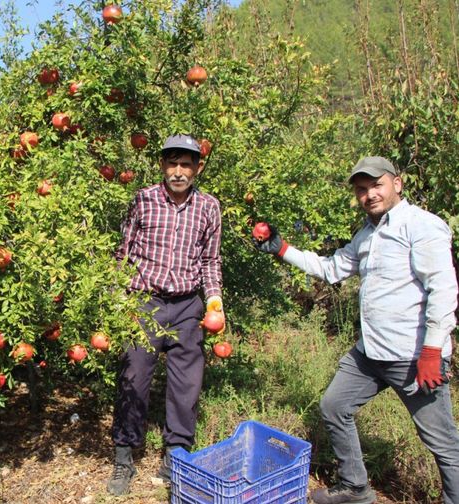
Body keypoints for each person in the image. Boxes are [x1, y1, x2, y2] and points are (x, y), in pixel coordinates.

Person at [253, 156, 459, 504]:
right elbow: (331, 269)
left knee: (442, 442)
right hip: (370, 353)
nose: (370, 194)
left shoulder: (422, 225)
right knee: (334, 406)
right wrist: (282, 249)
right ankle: (356, 488)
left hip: (412, 356)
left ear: (398, 183)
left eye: (376, 185)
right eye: (362, 189)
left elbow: (444, 289)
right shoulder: (367, 234)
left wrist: (432, 350)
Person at [107, 134, 225, 496]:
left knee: (186, 382)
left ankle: (176, 452)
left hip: (189, 306)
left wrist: (214, 299)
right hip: (145, 302)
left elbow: (210, 259)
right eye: (172, 163)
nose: (178, 171)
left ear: (197, 168)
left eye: (186, 164)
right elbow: (123, 252)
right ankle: (124, 455)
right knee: (134, 377)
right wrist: (116, 298)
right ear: (162, 165)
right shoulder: (143, 199)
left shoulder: (208, 207)